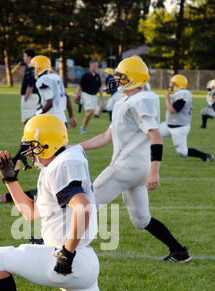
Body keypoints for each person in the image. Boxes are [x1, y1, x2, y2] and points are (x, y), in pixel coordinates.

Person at [0, 114, 197, 291]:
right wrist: (11, 181)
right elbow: (30, 213)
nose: (30, 154)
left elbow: (83, 207)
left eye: (33, 147)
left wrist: (67, 254)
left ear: (47, 145)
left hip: (66, 259)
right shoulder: (61, 160)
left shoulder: (61, 165)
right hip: (84, 261)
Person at [79, 57, 192, 263]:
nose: (118, 80)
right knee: (142, 220)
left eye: (122, 77)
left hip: (125, 168)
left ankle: (51, 243)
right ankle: (179, 251)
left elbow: (156, 136)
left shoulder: (141, 99)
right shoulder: (126, 102)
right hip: (137, 171)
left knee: (86, 203)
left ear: (134, 78)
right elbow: (106, 137)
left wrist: (155, 171)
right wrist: (77, 146)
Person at [159, 74, 213, 162]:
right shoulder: (180, 93)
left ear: (179, 85)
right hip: (168, 125)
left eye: (173, 84)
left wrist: (167, 98)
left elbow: (172, 110)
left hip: (179, 127)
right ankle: (149, 157)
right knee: (151, 134)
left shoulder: (183, 94)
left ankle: (206, 156)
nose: (171, 86)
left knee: (183, 152)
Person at [30, 55, 77, 128]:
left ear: (39, 67)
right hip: (62, 119)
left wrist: (36, 115)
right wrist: (71, 116)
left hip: (51, 119)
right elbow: (67, 97)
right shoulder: (55, 77)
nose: (32, 71)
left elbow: (50, 103)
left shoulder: (42, 80)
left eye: (33, 68)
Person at [74, 60, 104, 134]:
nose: (96, 67)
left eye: (96, 66)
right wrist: (77, 94)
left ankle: (84, 127)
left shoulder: (97, 76)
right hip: (86, 94)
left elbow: (100, 87)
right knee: (91, 110)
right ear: (90, 66)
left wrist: (102, 98)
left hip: (94, 96)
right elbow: (79, 86)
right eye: (94, 66)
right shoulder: (85, 75)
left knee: (95, 112)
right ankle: (83, 127)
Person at [20, 48, 39, 124]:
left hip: (30, 96)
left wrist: (25, 98)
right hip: (34, 96)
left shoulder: (30, 68)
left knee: (28, 120)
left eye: (25, 56)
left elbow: (30, 85)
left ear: (29, 57)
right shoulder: (34, 68)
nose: (23, 58)